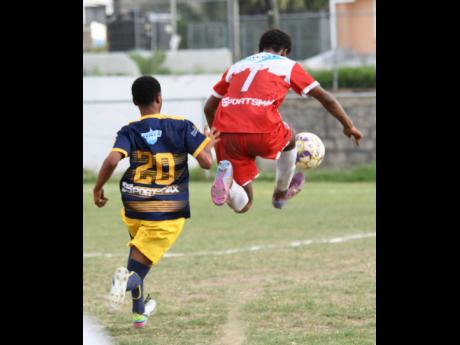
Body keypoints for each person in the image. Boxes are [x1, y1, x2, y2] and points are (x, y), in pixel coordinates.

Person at [93, 76, 220, 328]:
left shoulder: (129, 129)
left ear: (134, 102)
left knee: (137, 262)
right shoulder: (181, 126)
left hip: (135, 206)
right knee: (135, 272)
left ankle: (139, 314)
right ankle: (123, 283)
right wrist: (210, 144)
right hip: (166, 211)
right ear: (160, 98)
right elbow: (207, 163)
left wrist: (97, 188)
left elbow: (110, 161)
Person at [204, 29, 363, 212]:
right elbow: (326, 98)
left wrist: (217, 136)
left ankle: (228, 186)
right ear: (285, 52)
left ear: (260, 49)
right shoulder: (287, 65)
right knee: (291, 138)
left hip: (226, 133)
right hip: (261, 130)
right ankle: (280, 193)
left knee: (244, 203)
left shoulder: (237, 66)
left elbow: (209, 107)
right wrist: (348, 126)